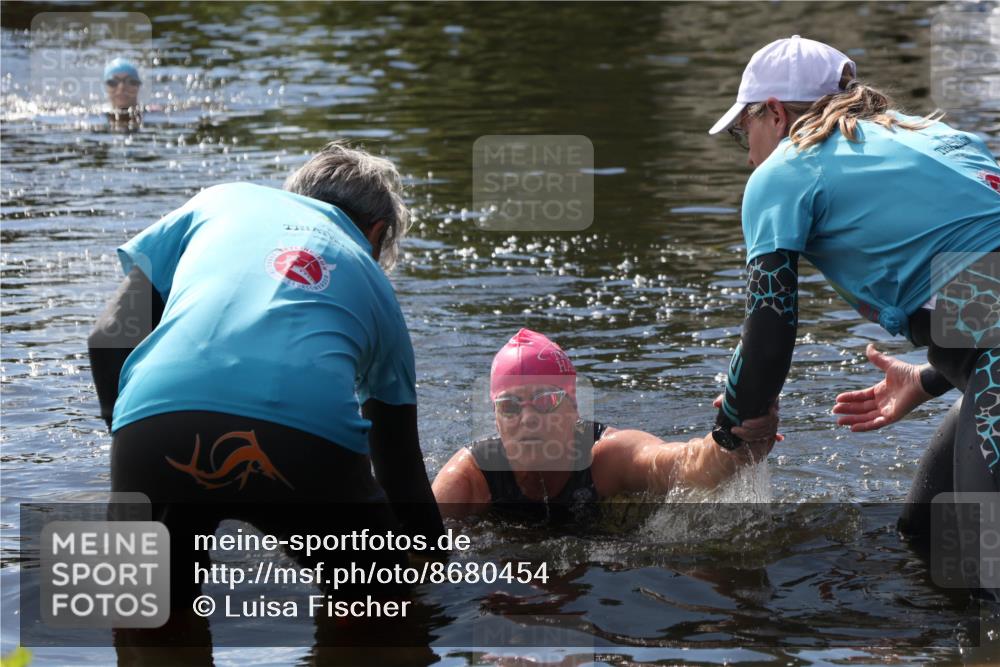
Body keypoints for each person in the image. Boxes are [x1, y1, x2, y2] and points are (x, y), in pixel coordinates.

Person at [88, 141, 444, 652]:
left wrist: (130, 439)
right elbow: (400, 468)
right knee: (383, 614)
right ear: (377, 232)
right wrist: (435, 565)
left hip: (154, 425)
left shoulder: (221, 202)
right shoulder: (375, 285)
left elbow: (107, 338)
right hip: (302, 443)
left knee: (145, 622)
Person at [706, 36, 999, 596]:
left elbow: (769, 333)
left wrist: (734, 424)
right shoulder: (932, 136)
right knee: (928, 536)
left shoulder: (784, 169)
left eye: (745, 132)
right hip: (984, 361)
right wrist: (933, 377)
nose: (748, 155)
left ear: (774, 112)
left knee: (983, 570)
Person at [432, 328, 779, 520]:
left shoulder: (608, 457)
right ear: (496, 417)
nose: (527, 419)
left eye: (546, 401)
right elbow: (413, 553)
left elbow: (683, 465)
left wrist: (733, 440)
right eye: (509, 406)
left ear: (573, 408)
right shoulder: (469, 480)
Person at [103, 57, 143, 128]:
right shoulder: (95, 116)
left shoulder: (155, 114)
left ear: (137, 86)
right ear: (106, 88)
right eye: (113, 82)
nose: (121, 88)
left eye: (129, 81)